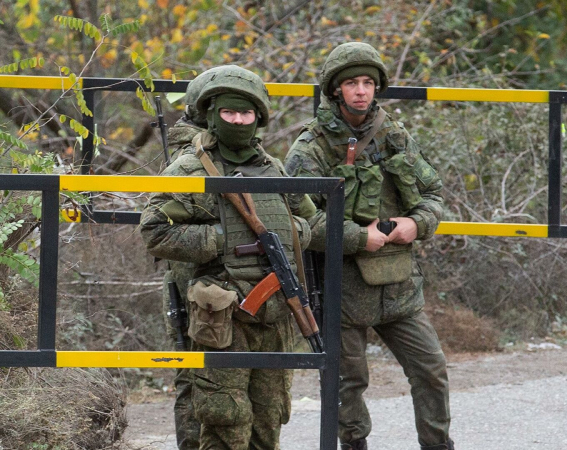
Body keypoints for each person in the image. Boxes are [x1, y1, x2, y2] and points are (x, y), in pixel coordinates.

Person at [284, 42, 454, 450]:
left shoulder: (393, 135)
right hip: (340, 288)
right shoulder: (309, 149)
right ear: (335, 89)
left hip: (398, 284)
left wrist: (417, 222)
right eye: (351, 84)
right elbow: (300, 222)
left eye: (367, 83)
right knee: (348, 383)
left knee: (431, 370)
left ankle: (437, 444)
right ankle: (354, 445)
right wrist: (359, 237)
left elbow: (433, 193)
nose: (361, 91)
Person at [140, 65, 312, 449]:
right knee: (225, 420)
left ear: (259, 118)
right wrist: (223, 239)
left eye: (246, 113)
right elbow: (154, 231)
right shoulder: (190, 168)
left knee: (269, 419)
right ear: (213, 115)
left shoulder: (273, 169)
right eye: (229, 112)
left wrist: (290, 233)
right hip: (222, 315)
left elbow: (311, 222)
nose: (237, 120)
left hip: (275, 314)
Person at [158, 65, 227, 450]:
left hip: (222, 281)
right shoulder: (190, 154)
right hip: (192, 281)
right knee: (191, 376)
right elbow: (159, 228)